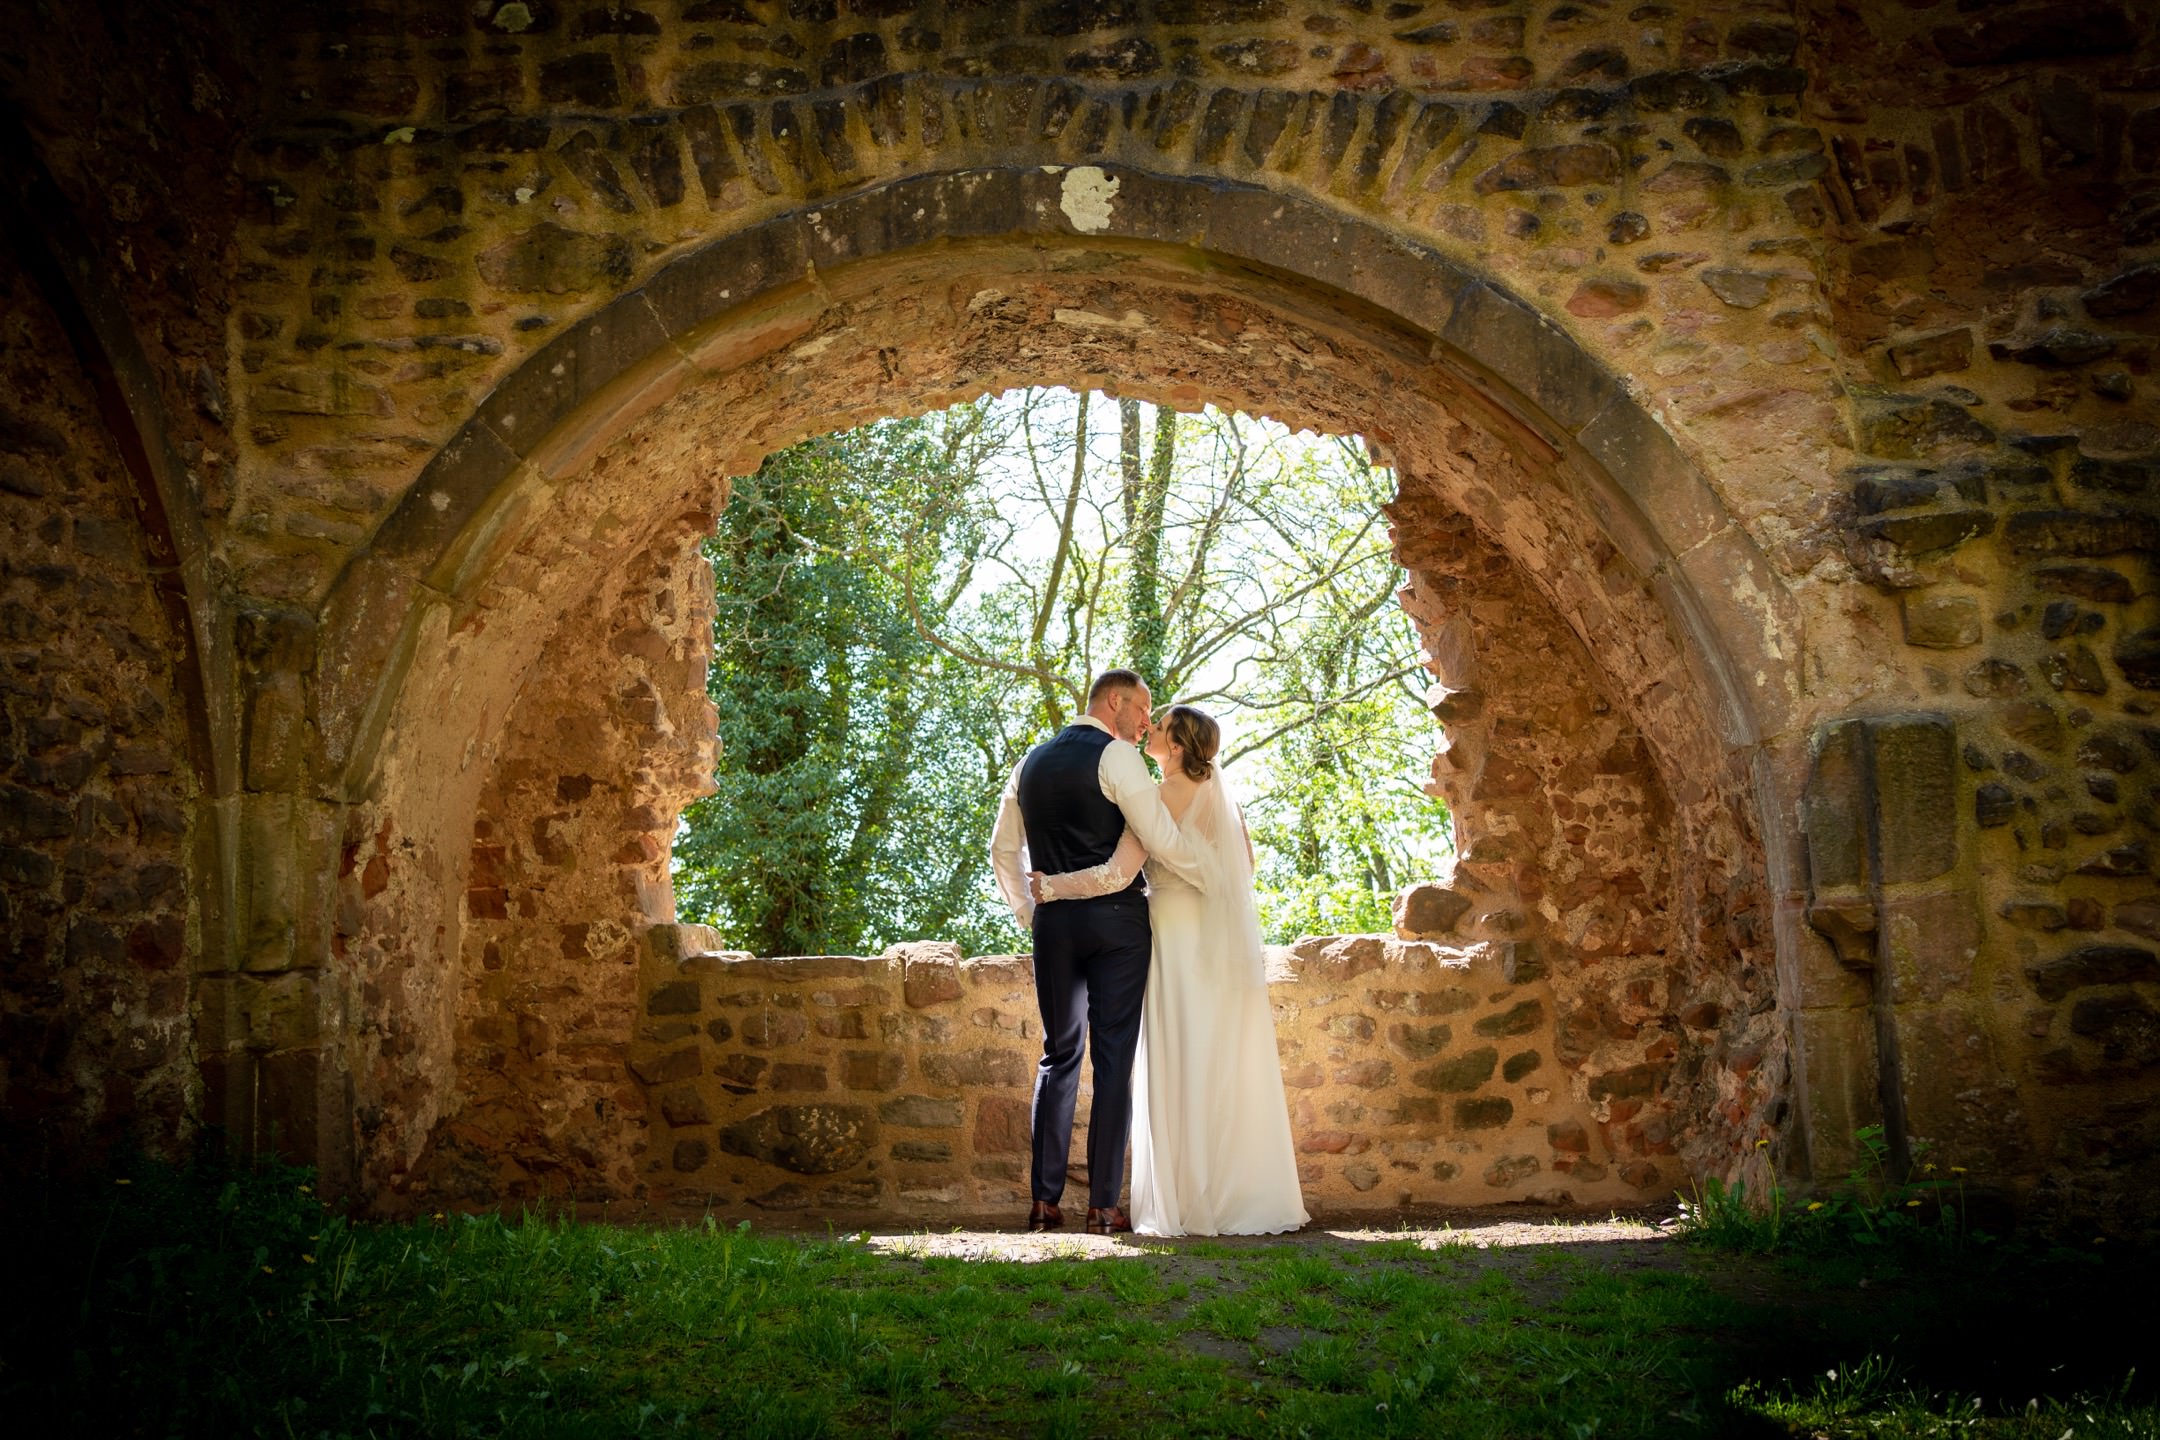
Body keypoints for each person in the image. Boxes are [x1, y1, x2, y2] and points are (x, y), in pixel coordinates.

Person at [1028, 704, 1308, 1238]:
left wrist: (1051, 887)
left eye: (1158, 728)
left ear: (1176, 746)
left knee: (1176, 1056)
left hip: (1173, 934)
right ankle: (1229, 1190)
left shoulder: (1157, 799)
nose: (1148, 730)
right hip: (1206, 932)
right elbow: (1241, 868)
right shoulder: (1221, 800)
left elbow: (1118, 872)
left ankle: (1186, 1199)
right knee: (1213, 1053)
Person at [988, 670, 1208, 1235]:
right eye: (1142, 709)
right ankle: (1103, 1208)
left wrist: (1032, 914)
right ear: (1116, 702)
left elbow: (1003, 848)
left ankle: (1043, 1202)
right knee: (1112, 1063)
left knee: (1058, 1056)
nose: (1145, 722)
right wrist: (1214, 874)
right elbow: (1157, 838)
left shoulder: (1028, 762)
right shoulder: (1117, 757)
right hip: (1117, 927)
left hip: (1054, 926)